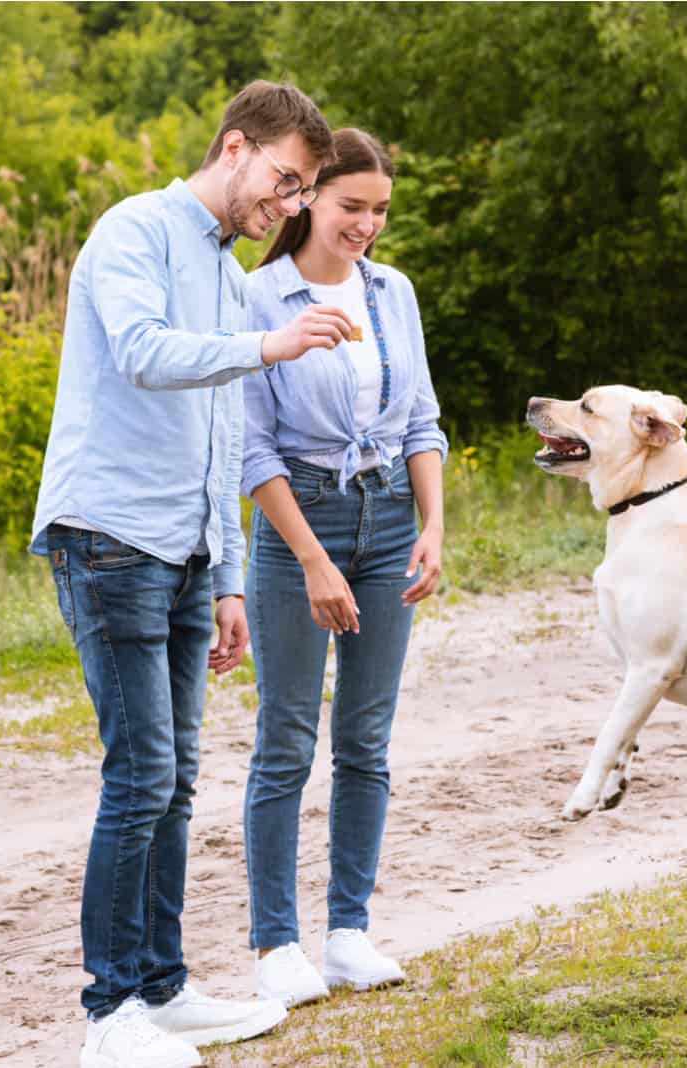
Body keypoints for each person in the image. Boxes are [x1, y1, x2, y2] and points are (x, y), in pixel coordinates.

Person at [30, 81, 359, 1068]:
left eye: (302, 191)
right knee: (138, 778)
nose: (290, 206)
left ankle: (163, 991)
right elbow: (139, 353)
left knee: (173, 783)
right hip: (109, 533)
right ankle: (108, 1016)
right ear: (232, 148)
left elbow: (220, 432)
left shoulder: (222, 270)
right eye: (285, 181)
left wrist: (224, 574)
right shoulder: (133, 231)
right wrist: (269, 343)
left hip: (180, 551)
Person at [238, 128, 448, 1008]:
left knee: (366, 741)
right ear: (310, 197)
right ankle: (275, 944)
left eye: (380, 211)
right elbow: (251, 450)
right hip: (301, 527)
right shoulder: (257, 299)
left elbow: (422, 422)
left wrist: (433, 524)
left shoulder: (392, 292)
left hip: (389, 522)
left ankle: (348, 933)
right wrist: (314, 560)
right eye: (351, 206)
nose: (366, 225)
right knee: (287, 739)